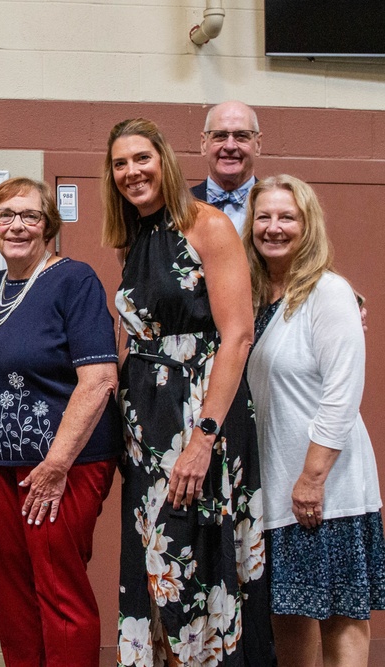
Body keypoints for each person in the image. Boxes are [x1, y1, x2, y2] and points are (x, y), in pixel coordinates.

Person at [103, 118, 272, 666]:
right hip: (145, 427)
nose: (132, 172)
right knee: (155, 570)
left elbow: (238, 335)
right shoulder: (132, 236)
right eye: (120, 163)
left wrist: (202, 438)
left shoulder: (208, 225)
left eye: (141, 159)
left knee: (193, 563)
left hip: (201, 416)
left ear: (166, 160)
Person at [0, 177, 122, 667]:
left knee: (60, 594)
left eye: (30, 216)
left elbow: (98, 381)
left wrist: (56, 465)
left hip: (63, 467)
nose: (17, 225)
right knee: (13, 596)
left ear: (48, 225)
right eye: (6, 215)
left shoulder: (74, 280)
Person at [244, 175, 385, 667]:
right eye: (264, 216)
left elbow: (343, 393)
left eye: (287, 217)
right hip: (277, 483)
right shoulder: (252, 296)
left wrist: (312, 477)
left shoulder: (328, 292)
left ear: (309, 226)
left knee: (341, 614)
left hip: (326, 486)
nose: (274, 227)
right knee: (289, 614)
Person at [189, 100, 262, 234]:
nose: (230, 146)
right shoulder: (180, 206)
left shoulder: (277, 207)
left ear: (258, 145)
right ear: (203, 144)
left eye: (241, 136)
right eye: (220, 136)